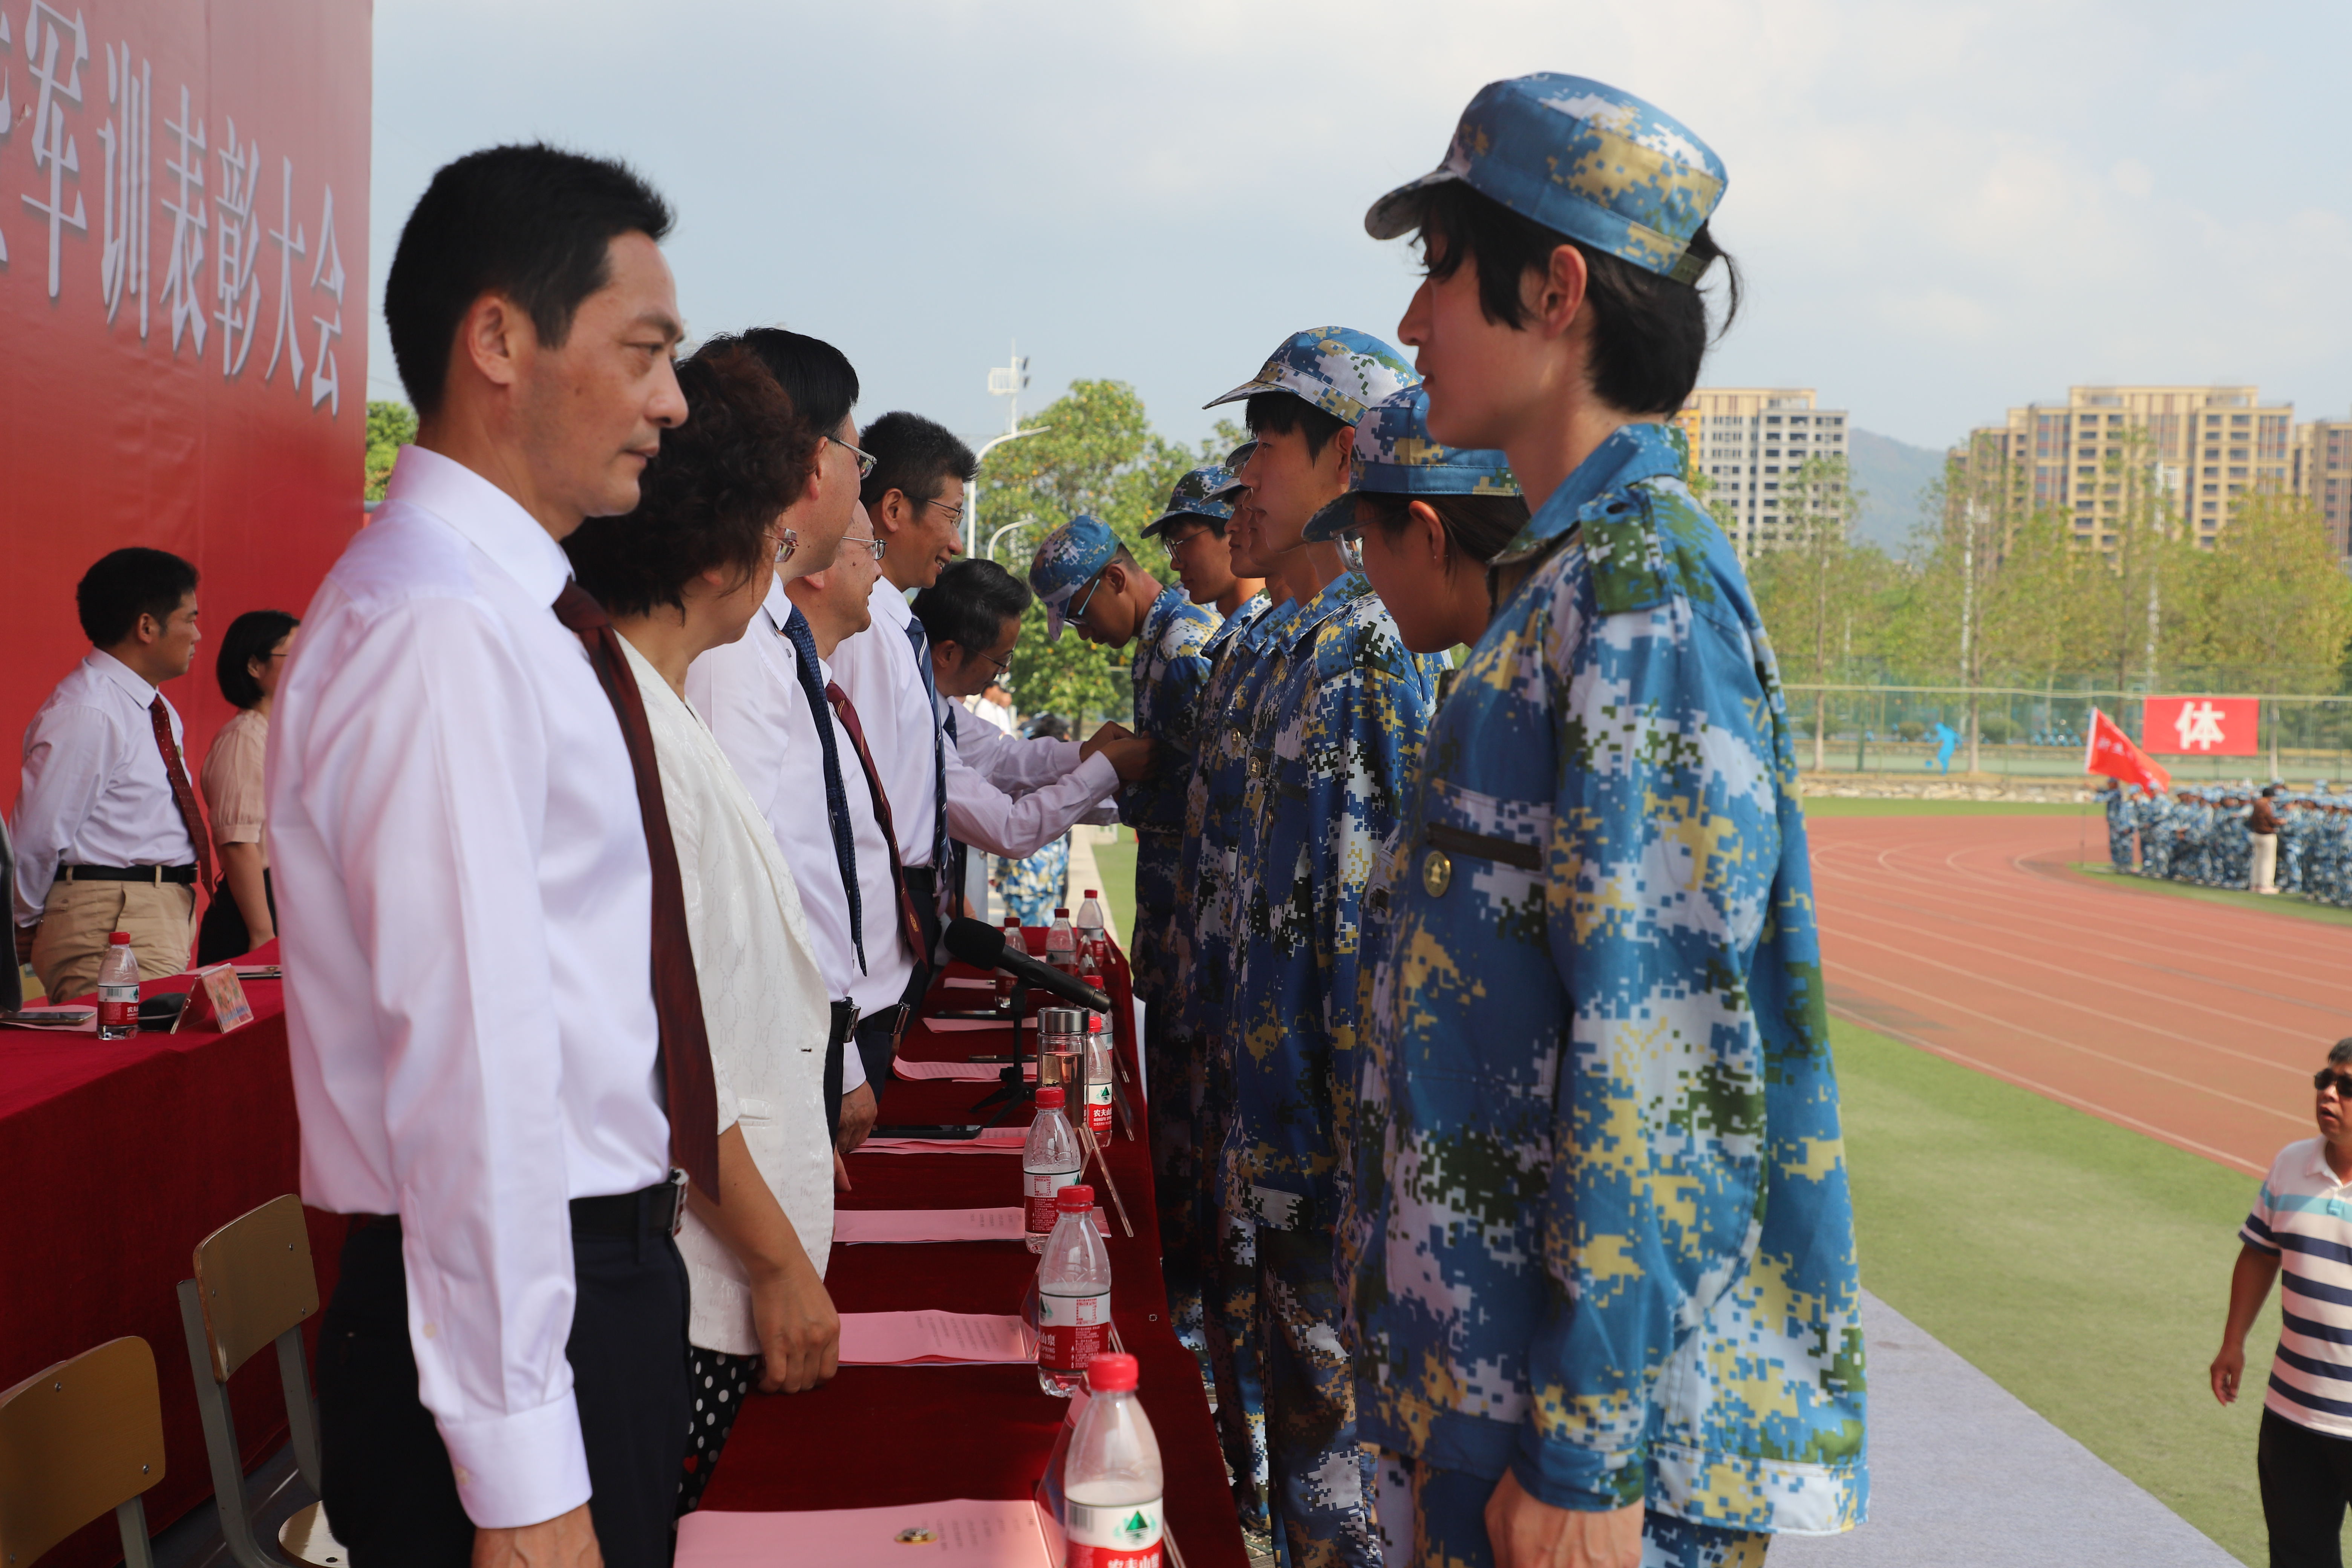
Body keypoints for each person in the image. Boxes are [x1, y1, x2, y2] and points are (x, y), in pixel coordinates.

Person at [1349, 75, 1864, 1567]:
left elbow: (1665, 1050)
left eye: (1442, 270)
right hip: (1494, 1391)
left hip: (1577, 1447)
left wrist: (1584, 1451)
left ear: (1557, 290)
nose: (1414, 322)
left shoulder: (1641, 594)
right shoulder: (1568, 585)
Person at [270, 144, 698, 1567]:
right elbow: (474, 1069)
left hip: (568, 1292)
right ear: (500, 340)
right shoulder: (439, 626)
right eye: (642, 351)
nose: (669, 402)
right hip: (514, 1320)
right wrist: (521, 1472)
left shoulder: (510, 613)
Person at [562, 336, 842, 1513]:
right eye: (775, 538)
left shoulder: (652, 708)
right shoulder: (625, 734)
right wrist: (776, 1262)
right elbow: (671, 1053)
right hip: (695, 1263)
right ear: (727, 555)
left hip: (711, 1245)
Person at [1196, 323, 1437, 1568]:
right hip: (1283, 1146)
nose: (1246, 474)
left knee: (1343, 1495)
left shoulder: (1362, 658)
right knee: (1305, 1476)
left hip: (1333, 1169)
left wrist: (1353, 1187)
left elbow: (1362, 940)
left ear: (1347, 456)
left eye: (1270, 443)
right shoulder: (1308, 648)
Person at [685, 327, 894, 1150]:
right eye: (857, 457)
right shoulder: (734, 643)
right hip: (776, 1042)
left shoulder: (769, 629)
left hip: (811, 1024)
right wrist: (836, 1063)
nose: (859, 482)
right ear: (812, 462)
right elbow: (746, 877)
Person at [1026, 511, 1219, 1102]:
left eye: (1080, 615)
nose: (1084, 636)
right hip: (1168, 905)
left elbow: (1215, 793)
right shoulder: (1156, 644)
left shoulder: (1183, 649)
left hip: (1194, 911)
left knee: (1189, 1087)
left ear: (1115, 579)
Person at [12, 547, 207, 1001]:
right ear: (146, 627)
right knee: (128, 1045)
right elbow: (38, 836)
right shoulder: (89, 710)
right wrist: (20, 924)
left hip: (145, 913)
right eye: (190, 618)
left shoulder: (151, 706)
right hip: (112, 921)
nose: (198, 634)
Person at [828, 412, 978, 980]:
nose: (957, 544)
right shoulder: (863, 630)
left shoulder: (896, 627)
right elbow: (861, 799)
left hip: (909, 895)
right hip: (881, 901)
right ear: (893, 509)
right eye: (952, 516)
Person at [2213, 1038, 2352, 1565]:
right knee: (2298, 1556)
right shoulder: (2292, 1164)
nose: (2329, 1093)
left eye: (2347, 1086)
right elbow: (2259, 1253)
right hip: (2292, 1413)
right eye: (2325, 1080)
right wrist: (2233, 1342)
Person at [196, 609, 297, 965]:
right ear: (255, 666)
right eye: (295, 653)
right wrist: (262, 935)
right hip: (256, 913)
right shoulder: (244, 738)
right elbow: (239, 842)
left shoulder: (282, 736)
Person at [1144, 464, 1265, 619]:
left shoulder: (1280, 627)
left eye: (1182, 543)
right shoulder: (1247, 630)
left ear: (1232, 532)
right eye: (1173, 548)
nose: (1175, 565)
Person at [2250, 786, 2282, 894]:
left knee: (2258, 860)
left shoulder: (2256, 804)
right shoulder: (2265, 805)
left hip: (2257, 834)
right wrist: (2280, 822)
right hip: (2267, 835)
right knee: (2267, 861)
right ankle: (2265, 885)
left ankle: (2256, 884)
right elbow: (2270, 820)